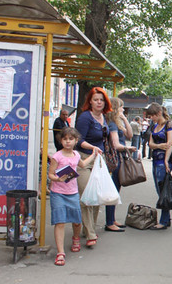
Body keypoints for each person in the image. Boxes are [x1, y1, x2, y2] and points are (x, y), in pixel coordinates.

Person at [48, 127, 98, 266]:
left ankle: (76, 238)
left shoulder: (76, 154)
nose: (68, 142)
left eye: (71, 139)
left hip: (73, 193)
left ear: (76, 141)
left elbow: (82, 164)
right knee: (60, 222)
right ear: (61, 140)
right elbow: (50, 174)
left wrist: (93, 155)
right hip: (58, 193)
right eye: (65, 139)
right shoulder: (57, 156)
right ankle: (60, 252)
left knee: (76, 221)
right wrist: (57, 179)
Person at [75, 87, 112, 247]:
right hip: (84, 159)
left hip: (99, 161)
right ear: (90, 101)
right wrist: (92, 148)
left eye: (101, 100)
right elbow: (78, 140)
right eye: (96, 99)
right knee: (87, 197)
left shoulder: (103, 117)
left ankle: (88, 228)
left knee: (97, 197)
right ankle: (90, 233)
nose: (99, 102)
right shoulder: (85, 117)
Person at [104, 97, 136, 232]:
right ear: (116, 108)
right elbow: (116, 145)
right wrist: (129, 149)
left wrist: (124, 118)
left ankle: (112, 219)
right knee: (113, 191)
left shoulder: (117, 123)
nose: (123, 109)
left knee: (116, 191)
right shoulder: (112, 124)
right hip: (115, 160)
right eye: (121, 107)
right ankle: (109, 222)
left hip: (119, 159)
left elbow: (130, 134)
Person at [146, 102, 172, 230]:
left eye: (152, 116)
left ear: (158, 114)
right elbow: (150, 144)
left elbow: (170, 144)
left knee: (163, 192)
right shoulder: (154, 126)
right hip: (155, 160)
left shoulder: (169, 125)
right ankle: (166, 218)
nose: (150, 118)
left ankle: (163, 221)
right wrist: (159, 146)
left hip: (163, 163)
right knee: (160, 191)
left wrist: (166, 160)